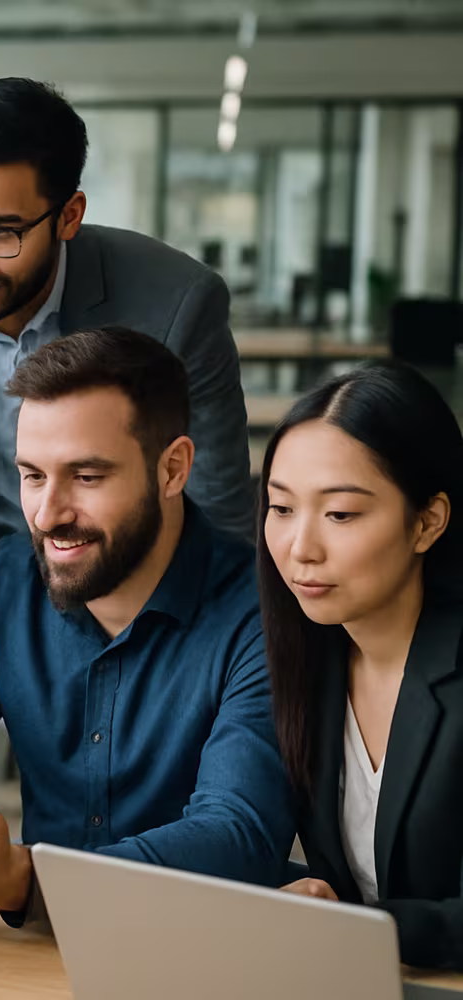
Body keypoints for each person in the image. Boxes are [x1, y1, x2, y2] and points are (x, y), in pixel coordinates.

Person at [0, 327, 292, 924]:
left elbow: (239, 836)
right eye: (32, 475)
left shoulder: (263, 612)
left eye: (87, 477)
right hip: (32, 957)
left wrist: (29, 879)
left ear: (173, 469)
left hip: (198, 949)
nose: (48, 514)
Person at [0, 77, 253, 613]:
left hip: (130, 594)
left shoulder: (178, 304)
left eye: (1, 233)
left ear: (69, 216)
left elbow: (221, 512)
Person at [261, 363, 463, 970]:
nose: (300, 548)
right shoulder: (307, 659)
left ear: (427, 521)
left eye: (340, 515)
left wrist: (350, 924)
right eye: (281, 508)